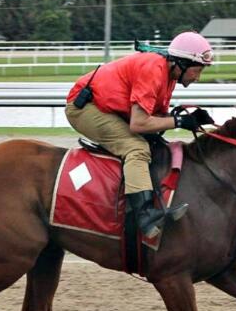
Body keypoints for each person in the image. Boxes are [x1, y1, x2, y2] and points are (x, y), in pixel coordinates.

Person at [65, 31, 214, 239]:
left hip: (109, 108)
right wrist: (179, 121)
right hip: (84, 108)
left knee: (156, 144)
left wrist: (186, 118)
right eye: (197, 70)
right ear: (181, 63)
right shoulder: (154, 69)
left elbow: (156, 118)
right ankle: (144, 215)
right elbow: (139, 123)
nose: (197, 77)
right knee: (136, 147)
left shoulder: (168, 75)